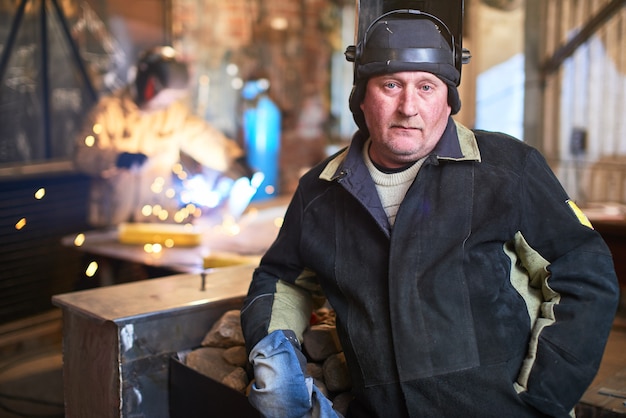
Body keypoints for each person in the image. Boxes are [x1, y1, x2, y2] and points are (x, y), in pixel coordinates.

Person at [240, 9, 620, 418]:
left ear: (448, 100)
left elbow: (584, 275)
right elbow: (282, 277)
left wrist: (541, 398)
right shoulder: (321, 191)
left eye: (426, 86)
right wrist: (274, 350)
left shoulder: (508, 169)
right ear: (362, 98)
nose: (409, 107)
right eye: (391, 85)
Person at [74, 46, 252, 228]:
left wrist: (234, 159)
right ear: (147, 84)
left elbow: (202, 138)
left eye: (171, 99)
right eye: (162, 98)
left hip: (156, 223)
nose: (165, 104)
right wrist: (117, 158)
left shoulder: (173, 115)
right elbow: (83, 157)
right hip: (111, 226)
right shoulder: (108, 112)